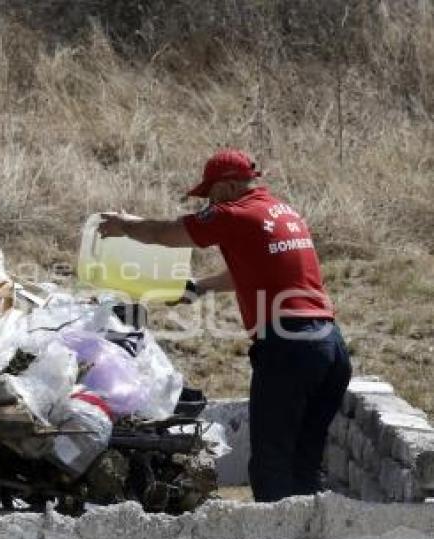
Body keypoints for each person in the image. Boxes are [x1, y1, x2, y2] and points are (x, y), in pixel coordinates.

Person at [97, 148, 352, 502]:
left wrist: (124, 226)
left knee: (271, 464)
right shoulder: (283, 214)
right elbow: (250, 270)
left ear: (229, 186)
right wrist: (199, 288)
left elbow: (168, 232)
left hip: (288, 347)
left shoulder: (235, 213)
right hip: (330, 347)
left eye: (211, 193)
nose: (209, 203)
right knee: (304, 461)